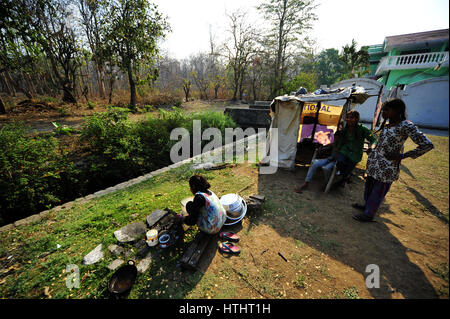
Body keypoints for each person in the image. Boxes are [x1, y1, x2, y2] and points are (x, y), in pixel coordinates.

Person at [352, 98, 434, 222]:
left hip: (387, 167)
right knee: (369, 187)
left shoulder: (406, 125)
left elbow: (427, 145)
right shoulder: (387, 123)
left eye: (387, 110)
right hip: (375, 163)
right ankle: (366, 206)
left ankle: (369, 214)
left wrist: (402, 156)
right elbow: (380, 141)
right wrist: (372, 148)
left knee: (378, 191)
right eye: (383, 109)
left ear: (397, 111)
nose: (383, 113)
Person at [294, 123, 343, 192]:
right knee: (314, 163)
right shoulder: (333, 144)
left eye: (338, 138)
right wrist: (321, 149)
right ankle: (306, 183)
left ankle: (327, 183)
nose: (336, 139)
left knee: (326, 168)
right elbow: (326, 147)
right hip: (329, 159)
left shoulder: (342, 147)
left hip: (336, 161)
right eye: (336, 137)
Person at [335, 110, 377, 184]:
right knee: (340, 161)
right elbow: (341, 141)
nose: (348, 119)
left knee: (347, 171)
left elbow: (373, 139)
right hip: (345, 150)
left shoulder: (362, 129)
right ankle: (345, 176)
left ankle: (344, 178)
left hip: (355, 154)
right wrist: (337, 149)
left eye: (351, 118)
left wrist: (372, 147)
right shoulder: (345, 129)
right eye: (347, 117)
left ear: (357, 119)